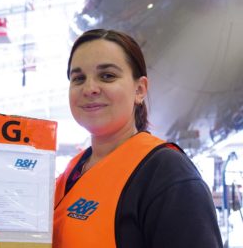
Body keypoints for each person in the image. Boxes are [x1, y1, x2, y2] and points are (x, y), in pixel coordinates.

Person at [53, 29, 223, 248]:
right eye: (78, 78)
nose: (90, 88)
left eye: (107, 76)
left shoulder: (167, 174)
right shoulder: (71, 173)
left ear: (140, 90)